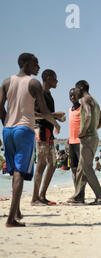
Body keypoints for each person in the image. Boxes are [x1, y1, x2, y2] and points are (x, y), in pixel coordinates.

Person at [0, 53, 58, 227]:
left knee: (13, 171)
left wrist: (7, 123)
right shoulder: (33, 83)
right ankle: (11, 219)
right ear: (24, 63)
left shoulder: (6, 82)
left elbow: (0, 106)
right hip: (24, 130)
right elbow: (45, 111)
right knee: (19, 172)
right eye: (35, 63)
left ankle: (16, 210)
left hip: (8, 130)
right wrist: (56, 120)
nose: (38, 66)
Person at [67, 80, 101, 205]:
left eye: (76, 89)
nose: (75, 92)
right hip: (93, 137)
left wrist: (83, 132)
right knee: (80, 168)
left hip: (88, 138)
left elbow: (89, 116)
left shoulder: (85, 99)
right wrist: (93, 129)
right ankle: (78, 196)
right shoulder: (95, 101)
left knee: (86, 168)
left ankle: (100, 196)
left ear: (81, 88)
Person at [31, 69, 65, 206]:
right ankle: (34, 198)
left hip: (49, 131)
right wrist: (55, 116)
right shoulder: (39, 93)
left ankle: (42, 195)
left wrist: (57, 122)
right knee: (42, 163)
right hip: (41, 130)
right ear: (48, 78)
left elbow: (47, 114)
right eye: (55, 78)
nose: (57, 81)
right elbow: (33, 114)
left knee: (52, 164)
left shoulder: (49, 94)